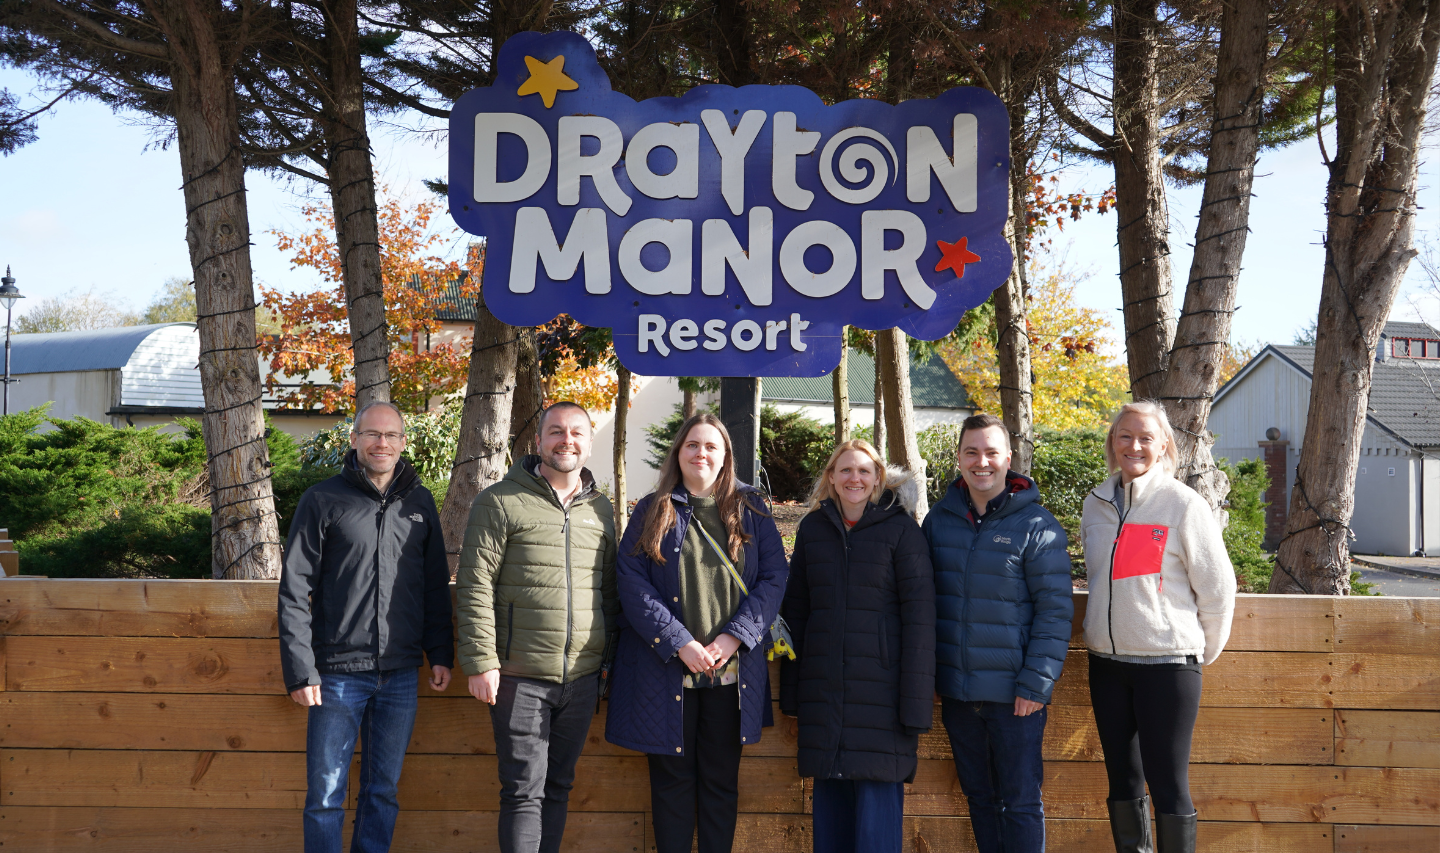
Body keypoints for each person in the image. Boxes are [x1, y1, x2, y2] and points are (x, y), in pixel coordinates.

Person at [605, 413, 788, 853]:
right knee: (671, 788)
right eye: (692, 445)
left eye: (711, 446)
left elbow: (774, 578)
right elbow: (631, 580)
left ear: (725, 456)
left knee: (721, 784)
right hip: (666, 673)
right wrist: (679, 643)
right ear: (678, 453)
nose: (700, 453)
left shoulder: (753, 509)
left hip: (730, 676)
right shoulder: (653, 508)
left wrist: (733, 638)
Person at [278, 401, 456, 853]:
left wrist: (441, 653)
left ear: (402, 442)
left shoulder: (418, 502)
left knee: (383, 792)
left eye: (391, 435)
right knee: (325, 798)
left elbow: (434, 583)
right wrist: (300, 669)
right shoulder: (322, 500)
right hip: (335, 674)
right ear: (355, 440)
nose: (382, 443)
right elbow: (295, 588)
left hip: (400, 674)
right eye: (372, 435)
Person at [455, 401, 618, 853]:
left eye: (577, 433)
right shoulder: (499, 501)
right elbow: (475, 585)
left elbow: (609, 592)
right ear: (539, 441)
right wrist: (481, 662)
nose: (567, 440)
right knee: (524, 791)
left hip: (582, 678)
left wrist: (607, 664)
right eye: (556, 432)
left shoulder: (601, 511)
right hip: (518, 678)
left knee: (560, 786)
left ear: (589, 442)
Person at [1081, 401, 1236, 853]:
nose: (1134, 445)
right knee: (1122, 781)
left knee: (1167, 782)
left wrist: (1198, 651)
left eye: (1146, 437)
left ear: (1163, 445)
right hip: (1107, 665)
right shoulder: (1095, 503)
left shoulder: (1182, 504)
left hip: (1167, 666)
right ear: (1113, 442)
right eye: (1125, 436)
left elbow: (1218, 586)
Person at [922, 412, 1074, 853]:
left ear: (1009, 458)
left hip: (1016, 699)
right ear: (959, 459)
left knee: (1021, 802)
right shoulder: (939, 521)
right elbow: (925, 604)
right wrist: (931, 677)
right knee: (980, 799)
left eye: (991, 452)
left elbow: (1054, 612)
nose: (981, 462)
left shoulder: (1037, 526)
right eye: (972, 452)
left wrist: (1035, 685)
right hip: (957, 694)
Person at [779, 440, 935, 853]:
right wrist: (793, 696)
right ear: (830, 477)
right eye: (845, 470)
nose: (854, 478)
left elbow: (920, 620)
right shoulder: (813, 530)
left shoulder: (901, 530)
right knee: (831, 826)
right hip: (824, 697)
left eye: (864, 471)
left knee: (875, 829)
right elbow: (797, 612)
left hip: (882, 701)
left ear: (878, 479)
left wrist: (916, 707)